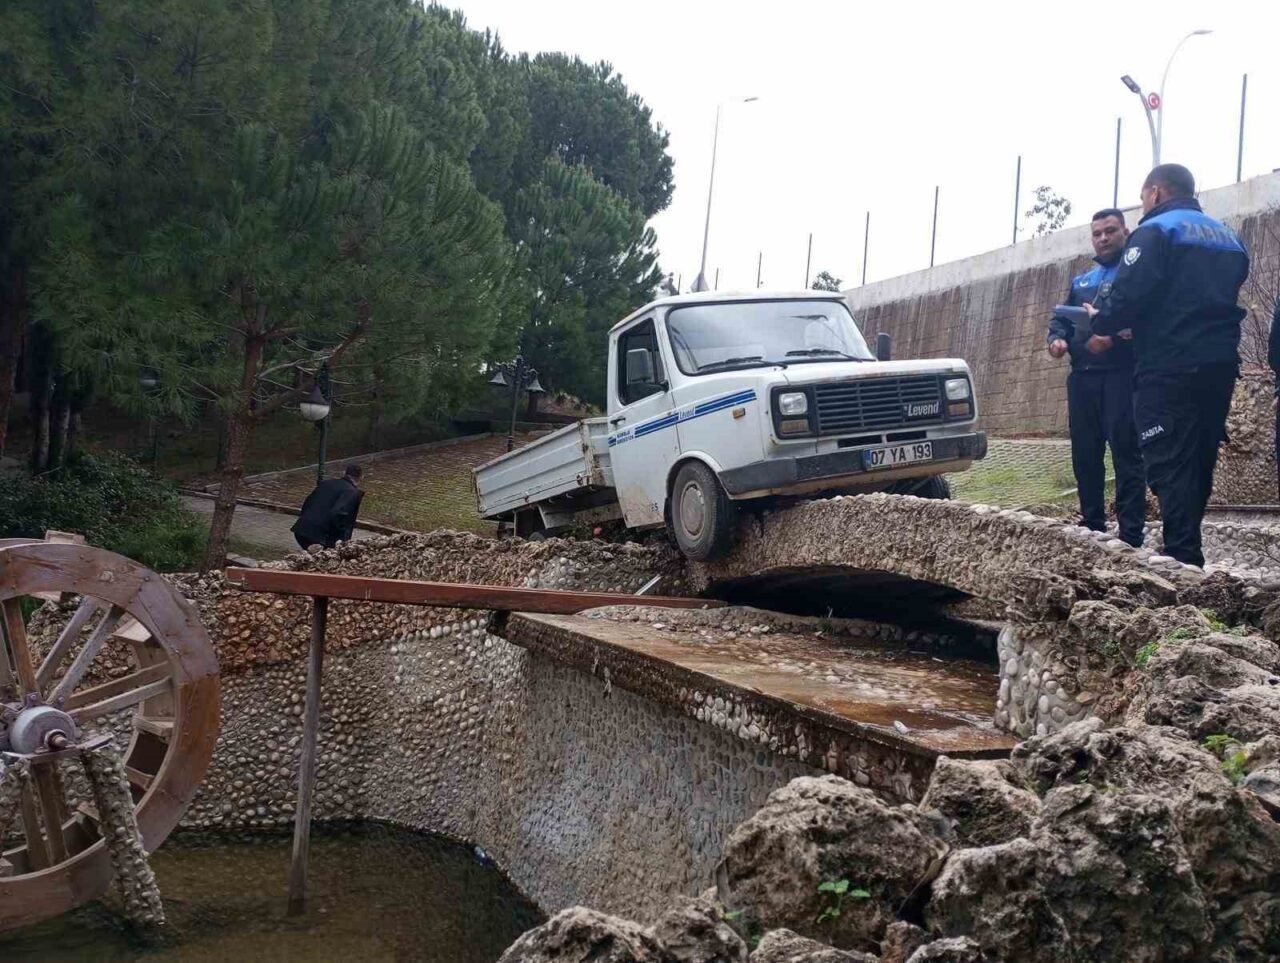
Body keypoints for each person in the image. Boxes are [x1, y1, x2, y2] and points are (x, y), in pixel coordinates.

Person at [1086, 164, 1250, 567]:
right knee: (1200, 457)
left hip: (1168, 365)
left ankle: (1182, 556)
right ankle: (1188, 548)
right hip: (1219, 365)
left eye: (1143, 197)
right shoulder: (1229, 238)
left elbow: (1125, 299)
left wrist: (1100, 319)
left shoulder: (1156, 231)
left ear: (1156, 192)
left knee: (1168, 458)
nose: (1143, 204)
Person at [1047, 208, 1145, 547]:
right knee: (1085, 455)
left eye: (1110, 231)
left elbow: (1148, 321)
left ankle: (1131, 534)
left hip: (1122, 376)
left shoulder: (1137, 275)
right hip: (1082, 379)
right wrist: (1056, 340)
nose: (1103, 238)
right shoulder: (1082, 282)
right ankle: (1092, 526)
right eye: (1097, 233)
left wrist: (1114, 338)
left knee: (1126, 454)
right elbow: (1060, 321)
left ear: (1125, 233)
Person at [291, 463, 365, 551]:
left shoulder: (326, 483)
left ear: (344, 473)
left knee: (311, 556)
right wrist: (341, 540)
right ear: (361, 477)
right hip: (321, 537)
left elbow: (307, 503)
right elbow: (339, 514)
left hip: (301, 531)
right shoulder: (351, 492)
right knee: (320, 557)